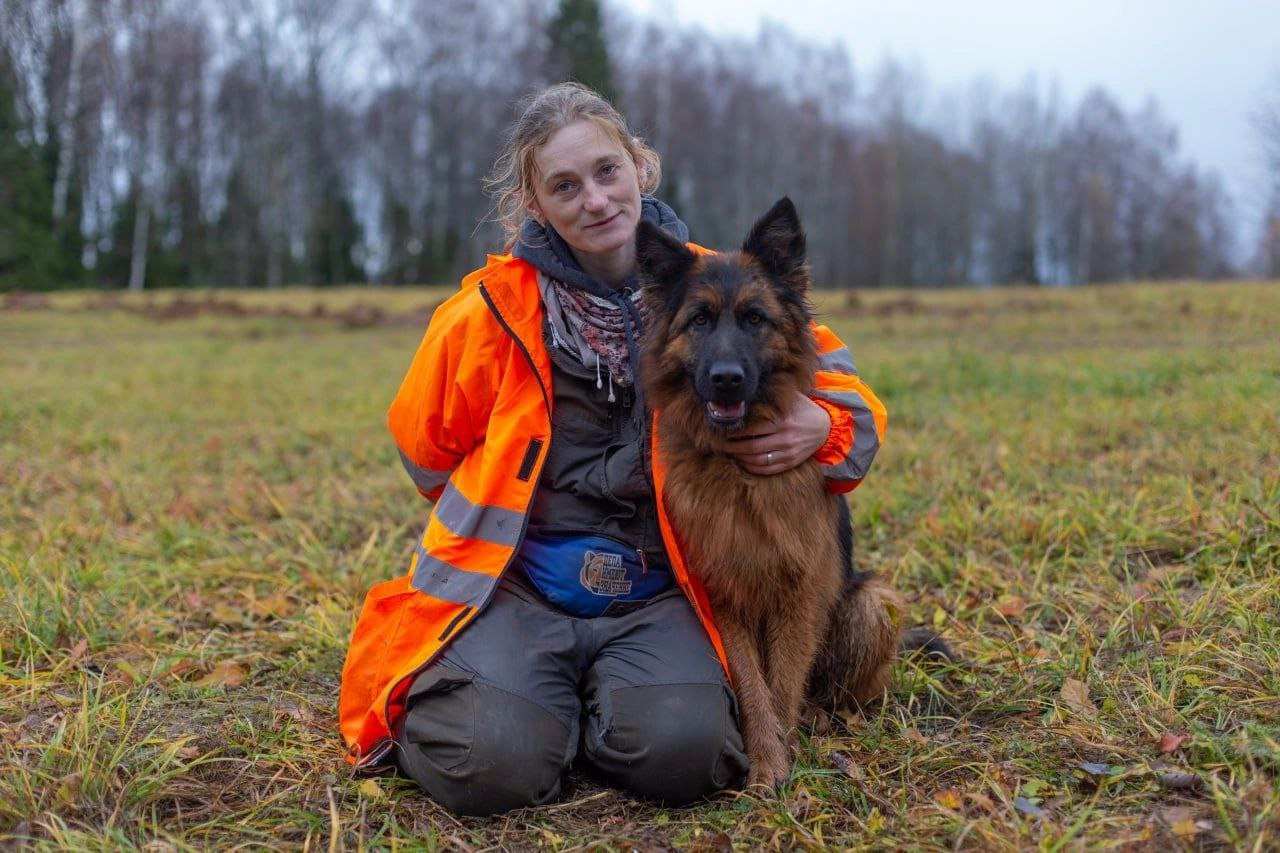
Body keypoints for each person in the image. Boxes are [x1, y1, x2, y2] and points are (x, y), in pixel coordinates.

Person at [337, 82, 887, 816]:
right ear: (534, 202)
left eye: (606, 171)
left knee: (688, 754)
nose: (594, 200)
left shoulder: (705, 277)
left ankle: (585, 709)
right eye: (564, 186)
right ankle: (528, 706)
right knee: (487, 765)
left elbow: (843, 392)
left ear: (638, 166)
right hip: (523, 589)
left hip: (656, 594)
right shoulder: (487, 313)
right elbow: (424, 451)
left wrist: (823, 427)